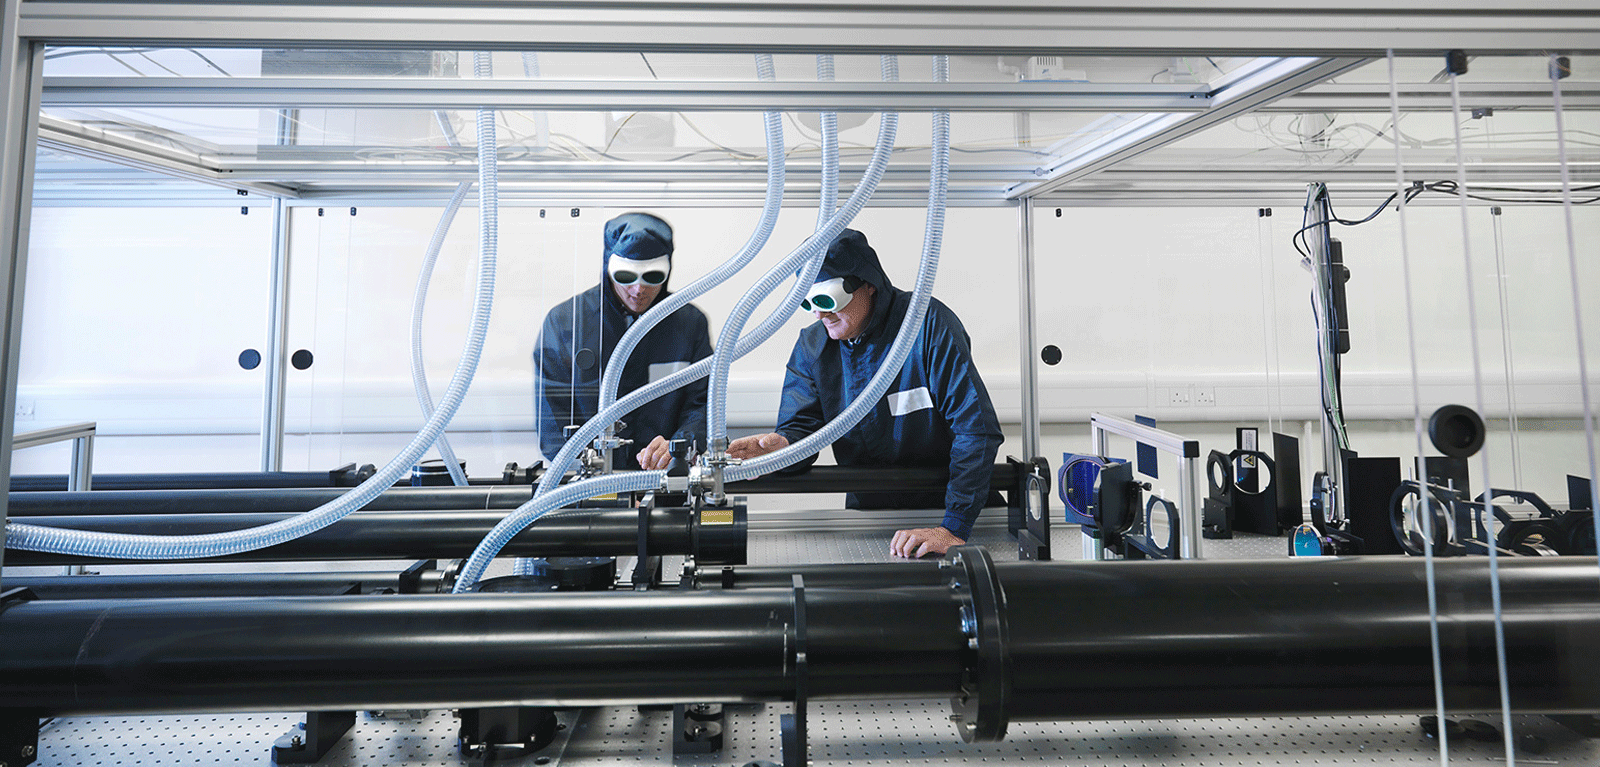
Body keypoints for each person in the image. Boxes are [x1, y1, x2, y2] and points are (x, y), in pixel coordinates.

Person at [728, 229, 1004, 558]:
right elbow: (803, 429)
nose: (820, 314)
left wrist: (953, 526)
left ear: (868, 283)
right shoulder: (813, 347)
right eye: (809, 303)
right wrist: (783, 447)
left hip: (952, 513)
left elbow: (976, 429)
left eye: (827, 300)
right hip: (872, 518)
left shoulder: (925, 324)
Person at [534, 212, 713, 471]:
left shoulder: (689, 324)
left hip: (664, 477)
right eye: (627, 277)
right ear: (609, 268)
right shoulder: (566, 323)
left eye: (652, 276)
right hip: (591, 482)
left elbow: (702, 405)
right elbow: (553, 421)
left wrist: (678, 447)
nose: (639, 290)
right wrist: (591, 468)